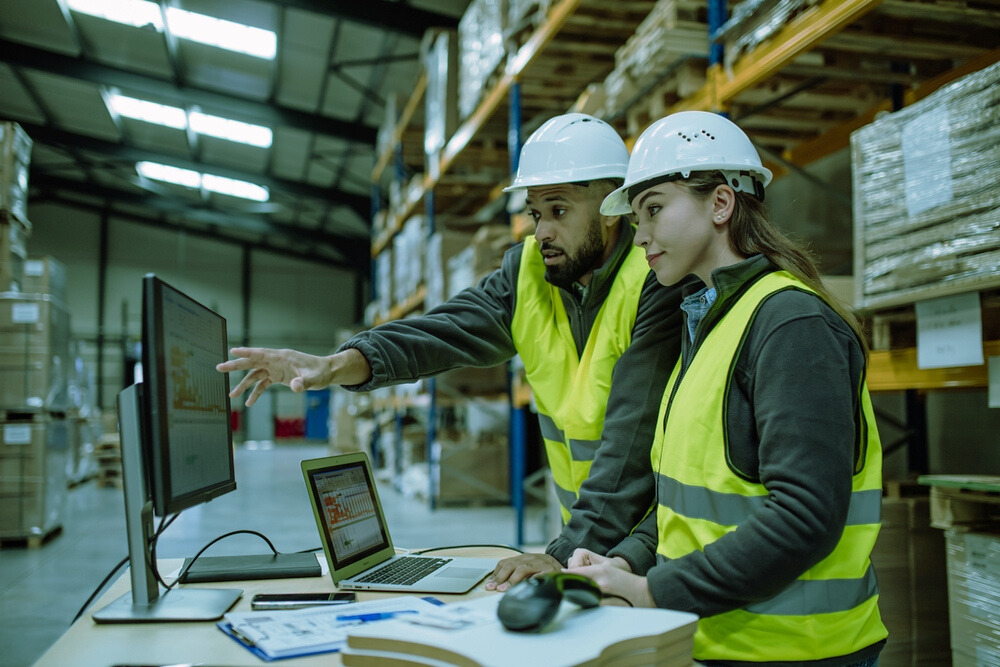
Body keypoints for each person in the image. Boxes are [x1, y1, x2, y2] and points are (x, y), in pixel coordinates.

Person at [217, 113, 691, 590]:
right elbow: (440, 332)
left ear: (611, 209)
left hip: (652, 546)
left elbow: (631, 440)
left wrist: (565, 552)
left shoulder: (657, 279)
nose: (542, 231)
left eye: (559, 211)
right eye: (535, 213)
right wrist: (334, 365)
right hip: (587, 543)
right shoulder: (527, 272)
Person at [564, 111, 887, 666]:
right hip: (723, 640)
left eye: (654, 210)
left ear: (720, 203)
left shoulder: (790, 324)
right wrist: (630, 562)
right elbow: (693, 503)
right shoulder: (708, 323)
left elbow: (805, 515)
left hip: (799, 651)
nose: (639, 235)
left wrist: (656, 592)